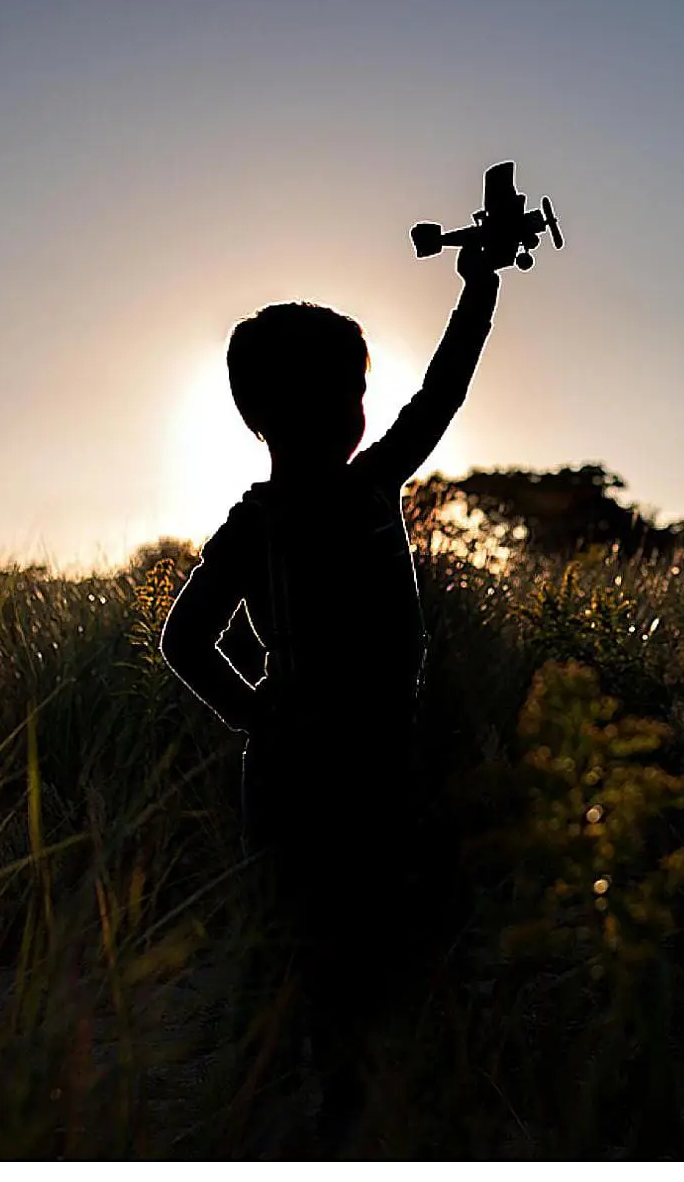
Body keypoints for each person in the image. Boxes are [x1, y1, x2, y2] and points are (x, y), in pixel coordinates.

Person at [160, 238, 512, 1154]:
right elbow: (441, 397)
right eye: (355, 394)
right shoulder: (362, 491)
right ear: (342, 412)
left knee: (303, 946)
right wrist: (479, 292)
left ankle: (308, 1107)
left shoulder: (254, 522)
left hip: (281, 771)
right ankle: (350, 1120)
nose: (366, 412)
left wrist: (257, 714)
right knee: (370, 946)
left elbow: (186, 640)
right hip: (365, 765)